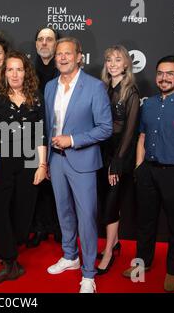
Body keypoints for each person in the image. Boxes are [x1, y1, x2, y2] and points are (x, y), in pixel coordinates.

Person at [122, 55, 174, 292]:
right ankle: (142, 264)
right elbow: (142, 138)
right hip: (147, 171)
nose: (164, 78)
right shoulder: (148, 104)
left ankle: (173, 270)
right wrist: (139, 166)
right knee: (145, 223)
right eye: (160, 73)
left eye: (170, 73)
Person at [45, 37, 112, 293]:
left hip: (82, 161)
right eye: (59, 53)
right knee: (63, 212)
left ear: (79, 56)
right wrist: (46, 159)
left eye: (68, 53)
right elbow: (48, 124)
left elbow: (105, 128)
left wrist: (72, 140)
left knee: (86, 218)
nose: (62, 57)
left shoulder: (94, 87)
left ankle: (88, 274)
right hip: (56, 160)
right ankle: (70, 256)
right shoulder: (50, 86)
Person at [0, 51, 47, 285]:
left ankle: (10, 253)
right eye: (10, 69)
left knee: (22, 215)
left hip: (29, 162)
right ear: (5, 72)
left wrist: (42, 165)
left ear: (26, 72)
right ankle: (10, 263)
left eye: (19, 69)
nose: (15, 73)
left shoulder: (36, 97)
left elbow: (41, 134)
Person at [96, 45, 140, 275]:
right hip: (100, 152)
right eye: (109, 59)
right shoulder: (101, 87)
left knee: (111, 204)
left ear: (125, 64)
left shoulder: (130, 91)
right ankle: (114, 242)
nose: (112, 63)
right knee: (105, 200)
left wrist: (117, 162)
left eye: (117, 60)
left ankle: (109, 252)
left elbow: (130, 132)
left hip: (119, 154)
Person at [27, 27, 61, 248]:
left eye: (49, 39)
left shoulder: (66, 70)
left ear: (57, 43)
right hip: (33, 137)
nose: (44, 43)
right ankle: (39, 227)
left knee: (59, 185)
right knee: (37, 186)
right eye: (40, 39)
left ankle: (60, 229)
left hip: (59, 137)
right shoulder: (28, 71)